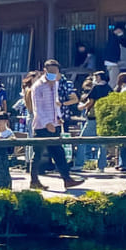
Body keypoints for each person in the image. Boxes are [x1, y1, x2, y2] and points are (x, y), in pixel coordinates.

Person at [30, 60, 83, 190]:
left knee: (59, 152)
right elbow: (37, 108)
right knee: (38, 153)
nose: (53, 74)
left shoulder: (55, 84)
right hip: (42, 125)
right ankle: (34, 180)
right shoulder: (38, 86)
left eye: (55, 72)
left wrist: (58, 117)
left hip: (55, 123)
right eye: (50, 72)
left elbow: (55, 103)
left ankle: (67, 179)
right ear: (45, 71)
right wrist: (47, 122)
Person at [74, 71, 112, 171]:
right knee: (102, 143)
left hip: (93, 118)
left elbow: (90, 101)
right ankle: (101, 166)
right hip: (104, 118)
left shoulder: (96, 88)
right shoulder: (109, 88)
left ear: (99, 77)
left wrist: (82, 107)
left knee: (82, 140)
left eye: (96, 76)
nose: (95, 78)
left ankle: (79, 164)